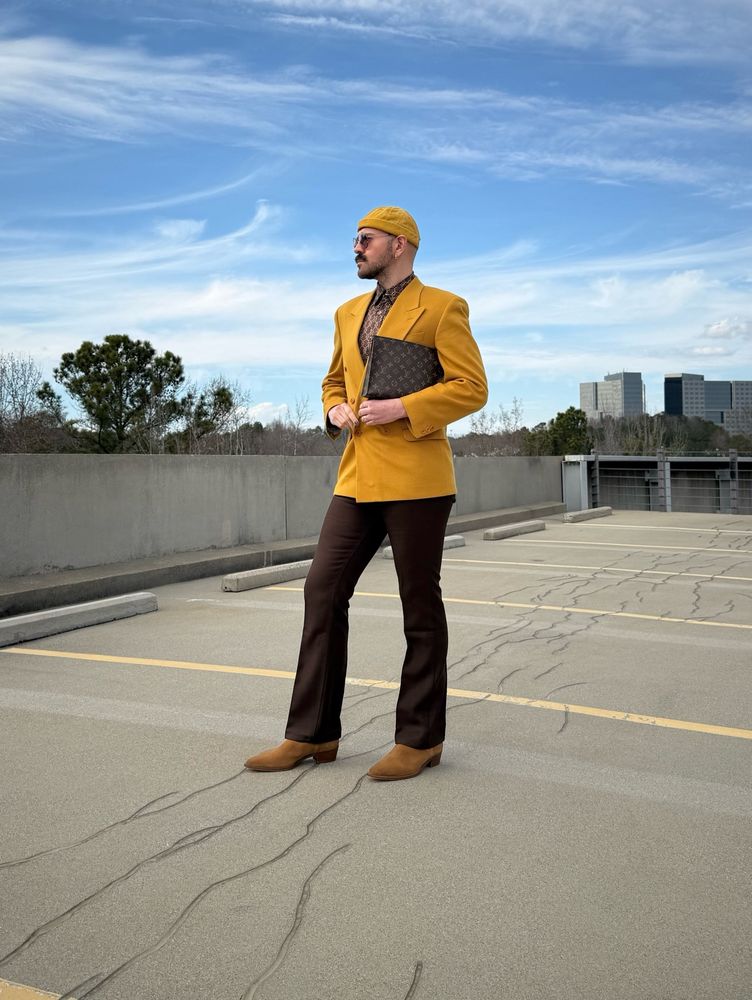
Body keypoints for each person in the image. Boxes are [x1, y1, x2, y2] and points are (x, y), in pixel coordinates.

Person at [244, 206, 487, 780]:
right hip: (356, 477)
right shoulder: (347, 311)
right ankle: (312, 735)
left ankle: (421, 740)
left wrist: (403, 406)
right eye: (355, 239)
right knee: (321, 592)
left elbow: (471, 387)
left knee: (418, 608)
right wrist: (334, 406)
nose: (356, 248)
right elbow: (334, 379)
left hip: (418, 481)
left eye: (366, 240)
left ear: (399, 245)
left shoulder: (443, 307)